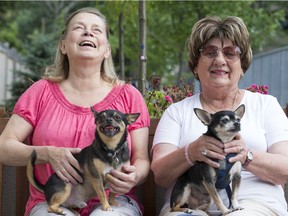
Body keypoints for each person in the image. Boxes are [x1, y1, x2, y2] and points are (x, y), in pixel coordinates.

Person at [0, 7, 150, 216]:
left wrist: (136, 176)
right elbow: (3, 147)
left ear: (106, 49)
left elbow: (141, 159)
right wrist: (46, 153)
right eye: (79, 28)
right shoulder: (40, 92)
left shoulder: (129, 95)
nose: (88, 32)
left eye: (97, 30)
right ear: (63, 45)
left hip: (115, 201)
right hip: (55, 202)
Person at [151, 16, 288, 216]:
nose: (220, 60)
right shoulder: (177, 112)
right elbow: (161, 176)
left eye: (230, 52)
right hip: (191, 206)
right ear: (195, 65)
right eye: (209, 52)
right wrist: (191, 152)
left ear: (242, 65)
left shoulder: (266, 106)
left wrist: (247, 156)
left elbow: (285, 169)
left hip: (253, 204)